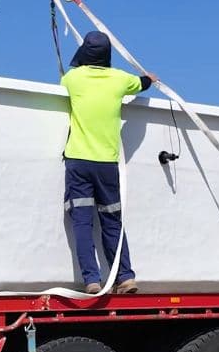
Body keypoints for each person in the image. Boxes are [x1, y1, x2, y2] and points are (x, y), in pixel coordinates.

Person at [61, 31, 155, 295]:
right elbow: (142, 83)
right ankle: (125, 276)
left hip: (78, 161)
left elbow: (68, 75)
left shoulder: (73, 79)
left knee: (82, 221)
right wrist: (150, 78)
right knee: (112, 220)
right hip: (107, 164)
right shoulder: (119, 80)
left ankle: (92, 279)